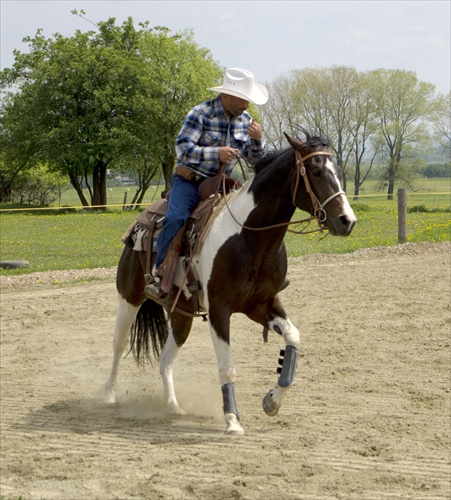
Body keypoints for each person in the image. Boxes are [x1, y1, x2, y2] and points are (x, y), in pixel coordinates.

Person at [145, 67, 269, 299]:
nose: (247, 106)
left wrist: (257, 140)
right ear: (227, 96)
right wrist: (216, 153)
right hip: (190, 182)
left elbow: (255, 162)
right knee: (176, 218)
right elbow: (182, 149)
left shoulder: (247, 122)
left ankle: (252, 274)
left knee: (250, 219)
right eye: (244, 100)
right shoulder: (200, 114)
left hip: (224, 185)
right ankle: (160, 273)